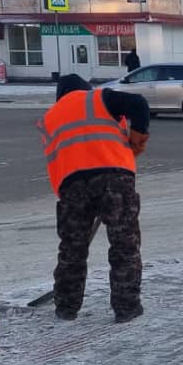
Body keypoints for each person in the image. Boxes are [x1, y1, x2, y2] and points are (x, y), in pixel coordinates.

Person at [38, 74, 150, 324]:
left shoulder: (49, 118)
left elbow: (57, 160)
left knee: (72, 249)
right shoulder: (99, 98)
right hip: (114, 178)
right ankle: (126, 307)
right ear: (84, 90)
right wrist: (137, 138)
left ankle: (66, 307)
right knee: (124, 244)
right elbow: (139, 104)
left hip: (71, 186)